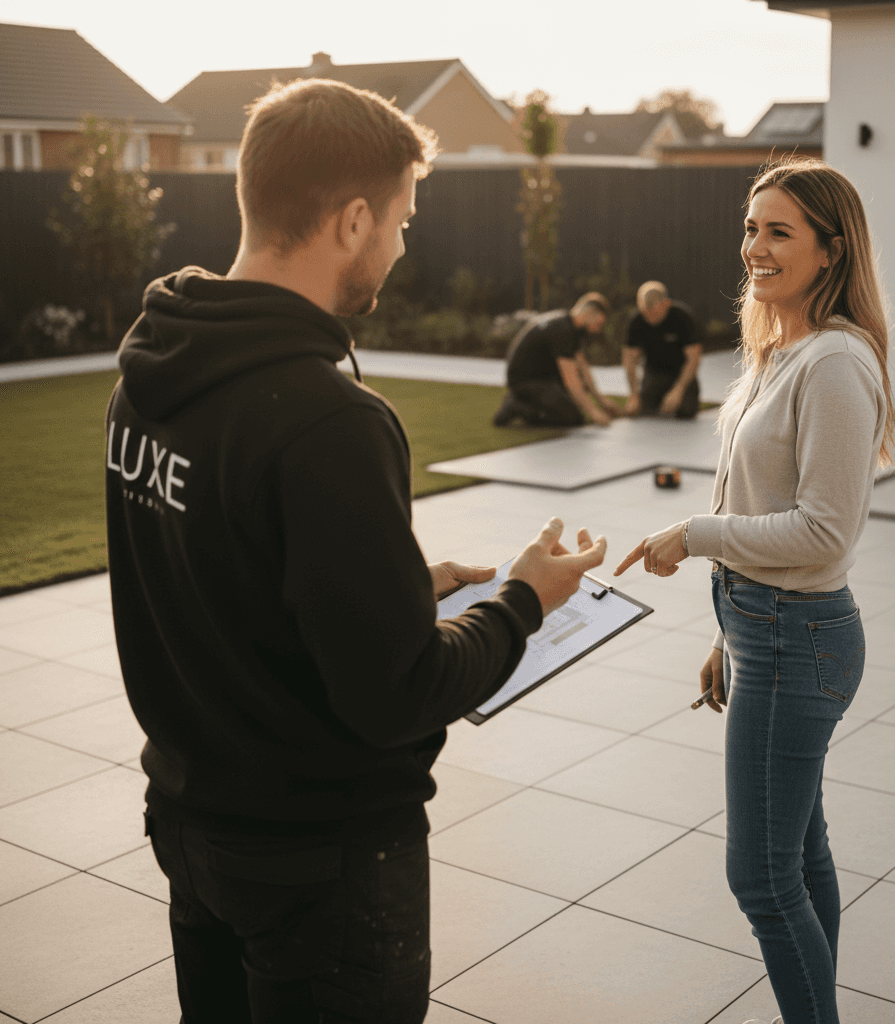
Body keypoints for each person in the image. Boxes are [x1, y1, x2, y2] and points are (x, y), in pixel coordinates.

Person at [104, 77, 607, 1024]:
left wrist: (397, 588)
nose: (405, 243)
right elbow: (397, 696)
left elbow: (224, 577)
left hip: (194, 828)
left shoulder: (146, 374)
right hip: (319, 862)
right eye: (404, 221)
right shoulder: (331, 423)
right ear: (352, 220)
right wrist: (525, 599)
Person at [614, 159, 895, 1024]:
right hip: (762, 633)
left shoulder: (837, 364)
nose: (756, 247)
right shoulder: (778, 350)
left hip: (799, 636)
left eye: (780, 231)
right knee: (800, 854)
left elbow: (822, 532)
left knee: (761, 878)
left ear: (830, 249)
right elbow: (757, 504)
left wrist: (694, 537)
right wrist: (723, 634)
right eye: (751, 227)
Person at [492, 293, 621, 427]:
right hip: (526, 382)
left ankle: (526, 402)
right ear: (590, 313)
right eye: (599, 322)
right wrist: (593, 412)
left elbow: (583, 368)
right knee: (572, 418)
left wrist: (602, 401)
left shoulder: (571, 325)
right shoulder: (563, 330)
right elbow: (570, 380)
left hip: (543, 378)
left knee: (574, 399)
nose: (600, 327)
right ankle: (518, 406)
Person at [622, 281, 702, 419]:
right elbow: (629, 360)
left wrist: (679, 389)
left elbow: (694, 358)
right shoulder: (637, 321)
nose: (650, 319)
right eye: (646, 314)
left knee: (686, 411)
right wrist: (633, 395)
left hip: (680, 373)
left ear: (666, 304)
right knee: (642, 411)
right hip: (654, 373)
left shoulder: (682, 317)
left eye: (654, 313)